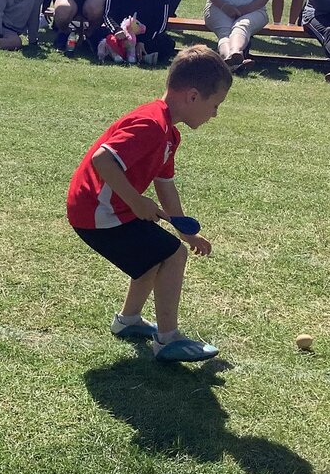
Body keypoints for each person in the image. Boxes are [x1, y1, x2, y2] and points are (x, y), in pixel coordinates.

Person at [66, 44, 230, 363]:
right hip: (97, 211)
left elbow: (165, 185)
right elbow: (102, 159)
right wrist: (136, 201)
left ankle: (128, 320)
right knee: (172, 255)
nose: (215, 114)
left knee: (155, 255)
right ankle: (168, 340)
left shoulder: (169, 134)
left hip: (113, 210)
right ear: (193, 96)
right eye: (215, 105)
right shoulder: (151, 124)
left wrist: (185, 231)